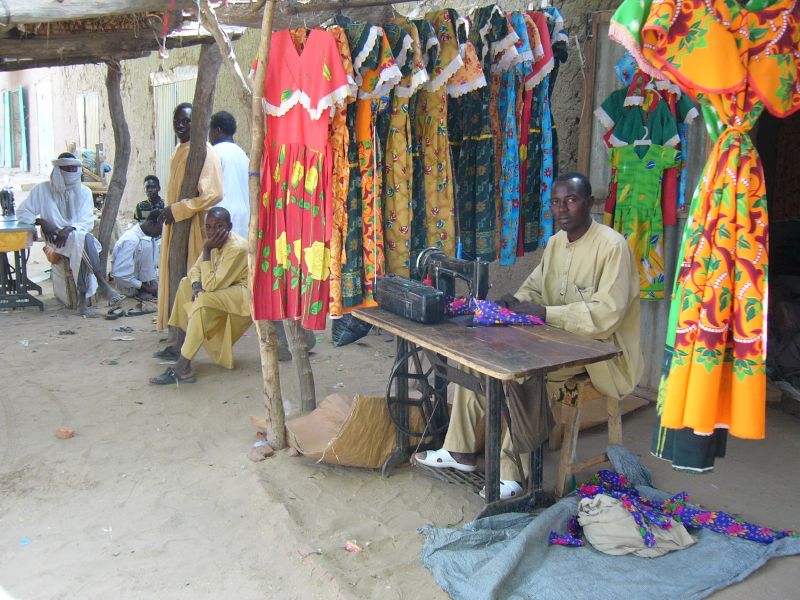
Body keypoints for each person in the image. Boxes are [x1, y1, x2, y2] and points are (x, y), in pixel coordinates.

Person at [415, 172, 644, 499]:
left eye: (571, 200)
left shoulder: (612, 248)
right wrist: (515, 303)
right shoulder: (555, 244)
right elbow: (536, 287)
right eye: (555, 202)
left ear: (589, 204)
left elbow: (606, 315)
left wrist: (545, 314)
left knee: (519, 377)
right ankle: (460, 450)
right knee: (481, 361)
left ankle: (512, 473)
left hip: (601, 354)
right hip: (557, 341)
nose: (562, 208)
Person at [150, 207, 252, 384]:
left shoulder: (236, 248)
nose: (212, 231)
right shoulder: (213, 242)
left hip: (242, 295)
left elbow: (212, 286)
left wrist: (206, 250)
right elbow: (195, 270)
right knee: (185, 285)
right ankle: (179, 346)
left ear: (230, 226)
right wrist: (196, 286)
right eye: (209, 227)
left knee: (203, 300)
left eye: (219, 226)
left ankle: (183, 367)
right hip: (221, 287)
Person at [17, 152, 123, 317]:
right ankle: (101, 284)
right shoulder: (42, 189)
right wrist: (40, 222)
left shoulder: (85, 192)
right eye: (68, 169)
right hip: (55, 240)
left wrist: (69, 228)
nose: (72, 172)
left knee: (81, 241)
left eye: (75, 168)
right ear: (59, 170)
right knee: (83, 241)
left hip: (75, 236)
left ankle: (83, 300)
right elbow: (23, 213)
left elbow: (86, 222)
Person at [156, 102, 224, 331]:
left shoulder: (204, 152)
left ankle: (190, 334)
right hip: (175, 226)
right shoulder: (179, 151)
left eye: (186, 120)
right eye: (177, 121)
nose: (181, 125)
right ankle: (178, 330)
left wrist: (179, 209)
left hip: (193, 227)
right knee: (175, 277)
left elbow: (214, 193)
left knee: (193, 280)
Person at [209, 111, 250, 238]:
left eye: (210, 131)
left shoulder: (214, 153)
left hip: (220, 221)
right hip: (244, 219)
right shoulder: (243, 155)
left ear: (217, 130)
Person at [110, 210, 163, 299]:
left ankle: (148, 286)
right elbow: (121, 275)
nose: (160, 233)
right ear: (151, 224)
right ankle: (143, 289)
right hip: (128, 286)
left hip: (141, 280)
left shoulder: (149, 237)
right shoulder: (131, 240)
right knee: (146, 244)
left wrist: (153, 282)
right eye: (160, 229)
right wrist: (145, 288)